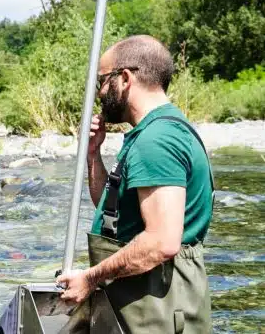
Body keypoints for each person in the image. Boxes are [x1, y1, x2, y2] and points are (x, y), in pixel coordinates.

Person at [56, 35, 214, 333]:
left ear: (125, 78)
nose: (100, 93)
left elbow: (162, 241)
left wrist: (91, 278)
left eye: (102, 81)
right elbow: (113, 210)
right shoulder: (156, 131)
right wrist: (93, 155)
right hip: (149, 298)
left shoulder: (156, 141)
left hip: (158, 306)